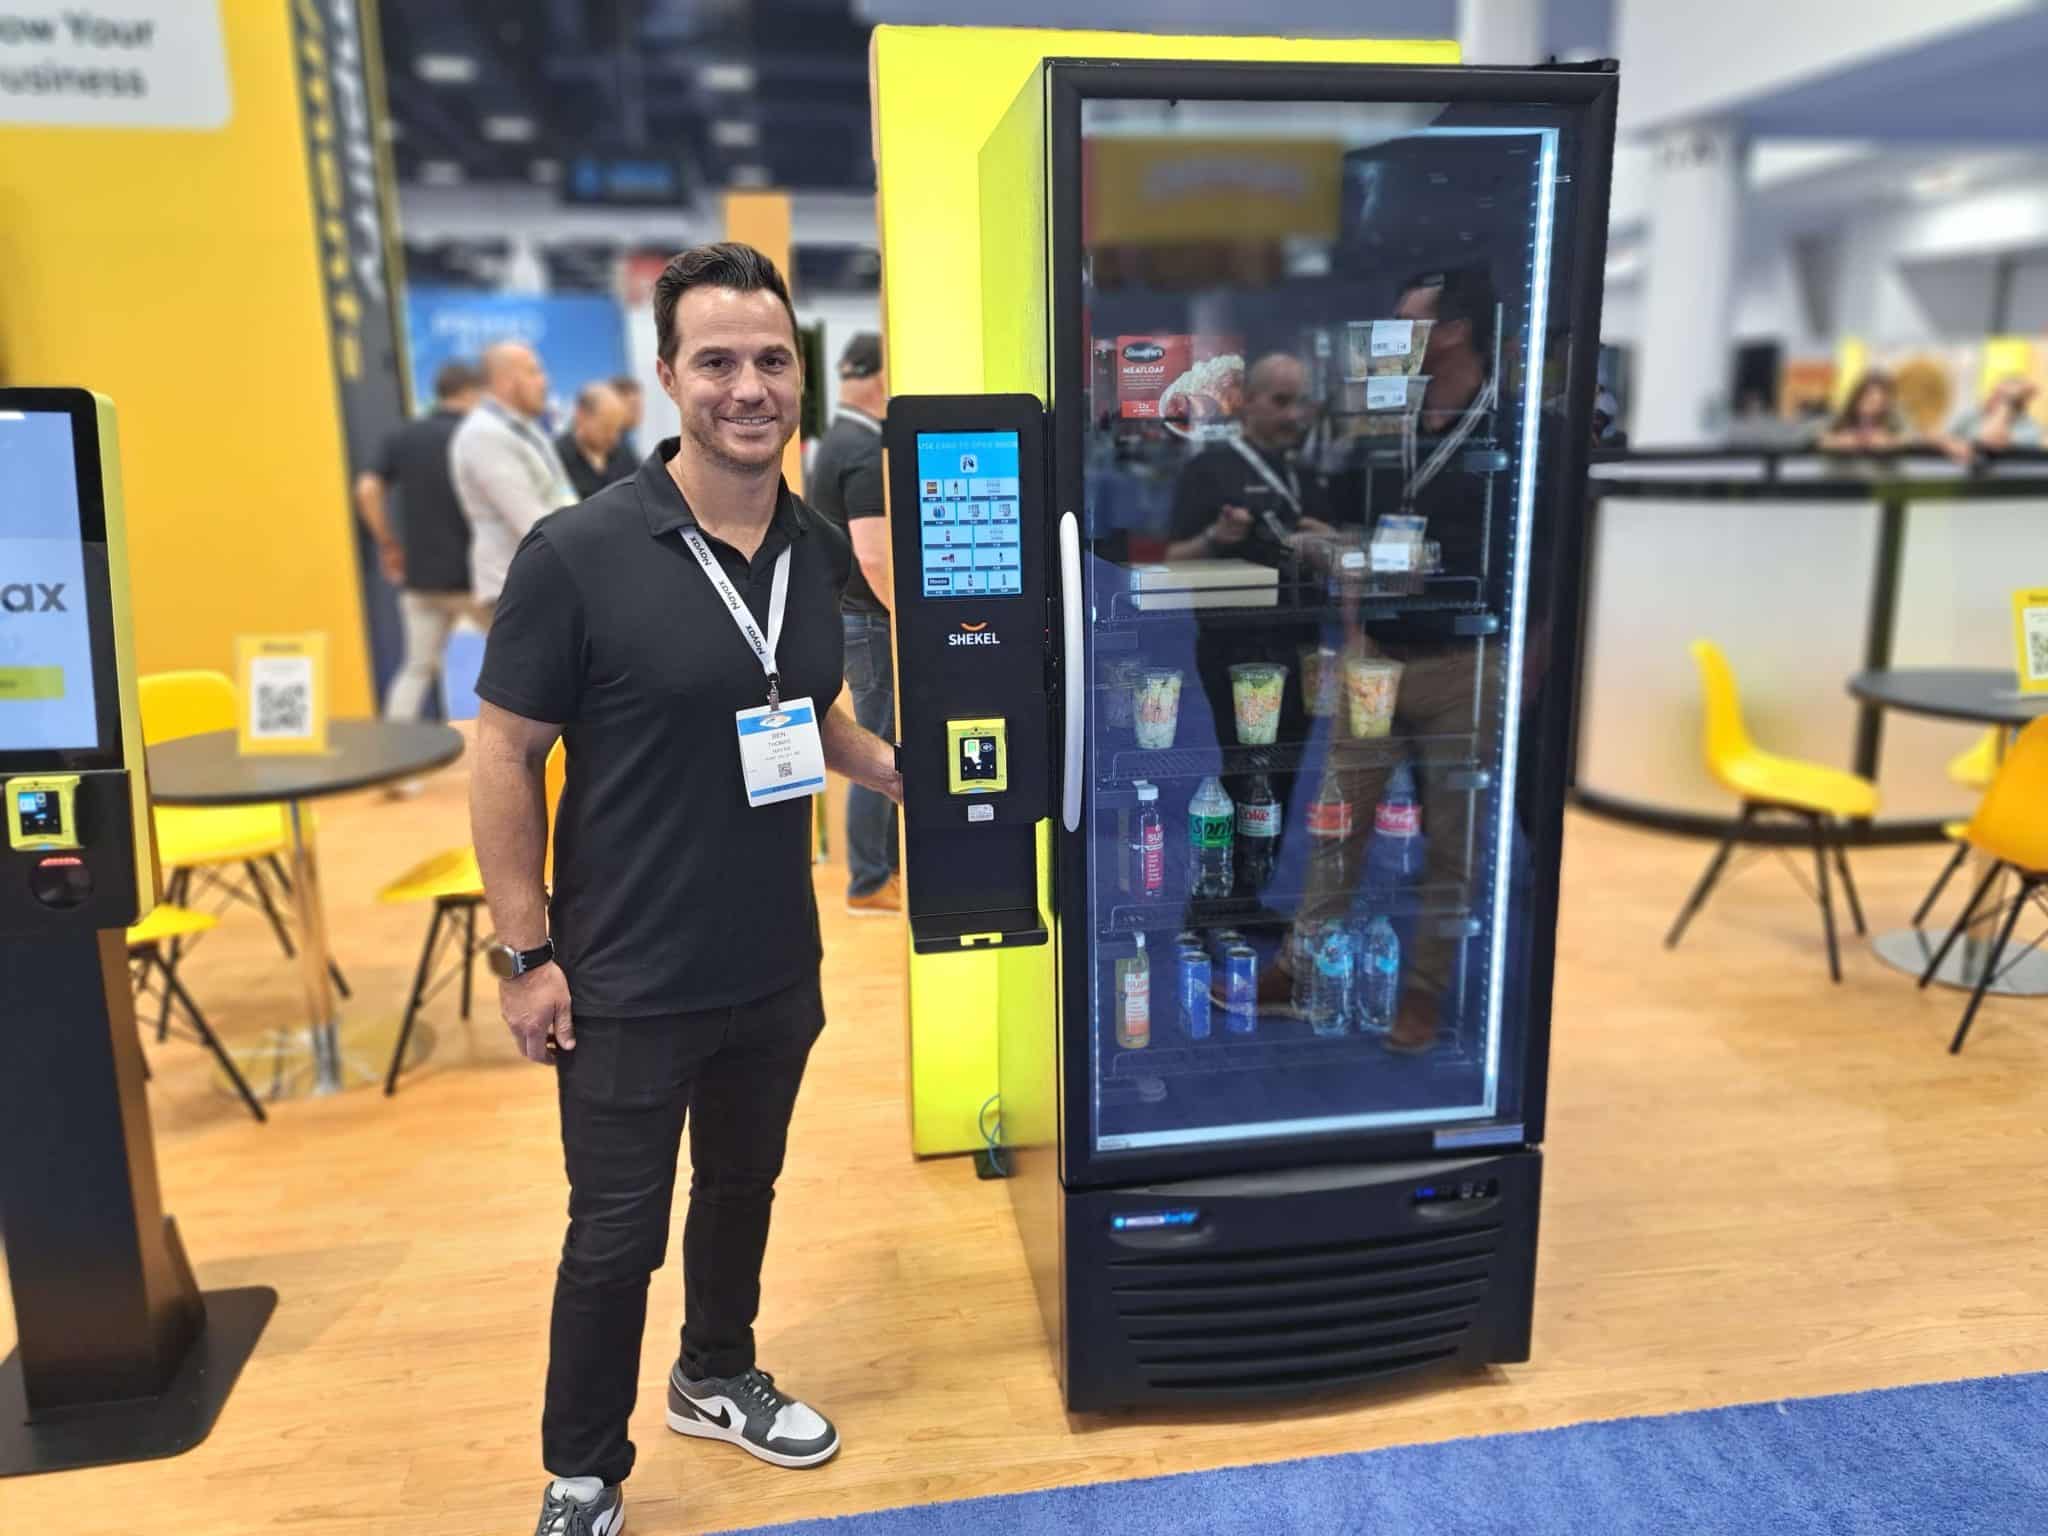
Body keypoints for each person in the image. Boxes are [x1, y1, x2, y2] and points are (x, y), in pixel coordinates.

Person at [471, 242, 902, 1536]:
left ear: (799, 375)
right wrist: (524, 954)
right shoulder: (577, 552)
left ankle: (715, 1373)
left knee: (740, 1192)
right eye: (716, 361)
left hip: (771, 959)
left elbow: (799, 709)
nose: (748, 387)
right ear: (666, 376)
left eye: (771, 360)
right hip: (625, 971)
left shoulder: (811, 545)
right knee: (614, 1236)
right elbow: (503, 752)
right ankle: (582, 1471)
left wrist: (899, 776)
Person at [1276, 266, 1507, 1054]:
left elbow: (1539, 560)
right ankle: (1302, 969)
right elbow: (1341, 522)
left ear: (1455, 332)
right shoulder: (1384, 420)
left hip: (1464, 664)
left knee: (1452, 842)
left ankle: (1424, 991)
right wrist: (1345, 598)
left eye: (1407, 324)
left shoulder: (1510, 427)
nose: (1390, 339)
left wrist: (1522, 668)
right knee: (1336, 820)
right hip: (1375, 657)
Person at [1165, 353, 1334, 793]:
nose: (1293, 415)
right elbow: (1172, 561)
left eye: (1301, 403)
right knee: (1241, 773)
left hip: (1303, 645)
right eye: (1281, 401)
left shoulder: (1306, 475)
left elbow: (1343, 553)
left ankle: (1274, 840)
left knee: (1292, 774)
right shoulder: (1209, 470)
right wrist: (1216, 538)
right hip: (1234, 647)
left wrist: (1329, 545)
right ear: (1247, 401)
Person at [807, 332, 901, 914]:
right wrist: (906, 619)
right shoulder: (864, 449)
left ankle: (883, 869)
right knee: (878, 749)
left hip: (851, 615)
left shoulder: (836, 440)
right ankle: (868, 880)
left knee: (880, 739)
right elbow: (873, 555)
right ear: (879, 375)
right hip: (870, 618)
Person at [353, 359, 491, 723]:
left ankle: (394, 752)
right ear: (472, 393)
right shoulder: (480, 437)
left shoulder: (404, 437)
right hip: (477, 578)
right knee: (523, 664)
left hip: (421, 578)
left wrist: (387, 542)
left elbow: (367, 489)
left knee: (416, 669)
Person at [449, 341, 576, 610]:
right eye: (534, 371)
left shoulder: (522, 427)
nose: (545, 381)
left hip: (544, 579)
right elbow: (530, 521)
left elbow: (557, 495)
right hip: (518, 589)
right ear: (505, 382)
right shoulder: (484, 434)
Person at [557, 381, 632, 502]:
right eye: (606, 427)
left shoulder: (625, 455)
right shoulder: (557, 457)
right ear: (581, 416)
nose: (613, 437)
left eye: (618, 429)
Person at [1944, 374, 2042, 462]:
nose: (1991, 397)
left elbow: (1989, 440)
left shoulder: (2029, 429)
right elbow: (1941, 435)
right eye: (1994, 391)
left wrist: (2006, 406)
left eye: (2002, 396)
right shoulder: (1971, 414)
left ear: (2016, 404)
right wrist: (1952, 445)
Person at [1819, 372, 1906, 453]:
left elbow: (1909, 438)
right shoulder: (1841, 417)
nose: (1872, 406)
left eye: (1877, 402)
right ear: (1857, 397)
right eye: (1868, 398)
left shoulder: (1894, 418)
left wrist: (1889, 442)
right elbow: (1819, 437)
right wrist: (1838, 441)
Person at [606, 374, 645, 481]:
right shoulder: (609, 447)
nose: (640, 413)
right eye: (634, 407)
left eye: (640, 406)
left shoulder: (623, 442)